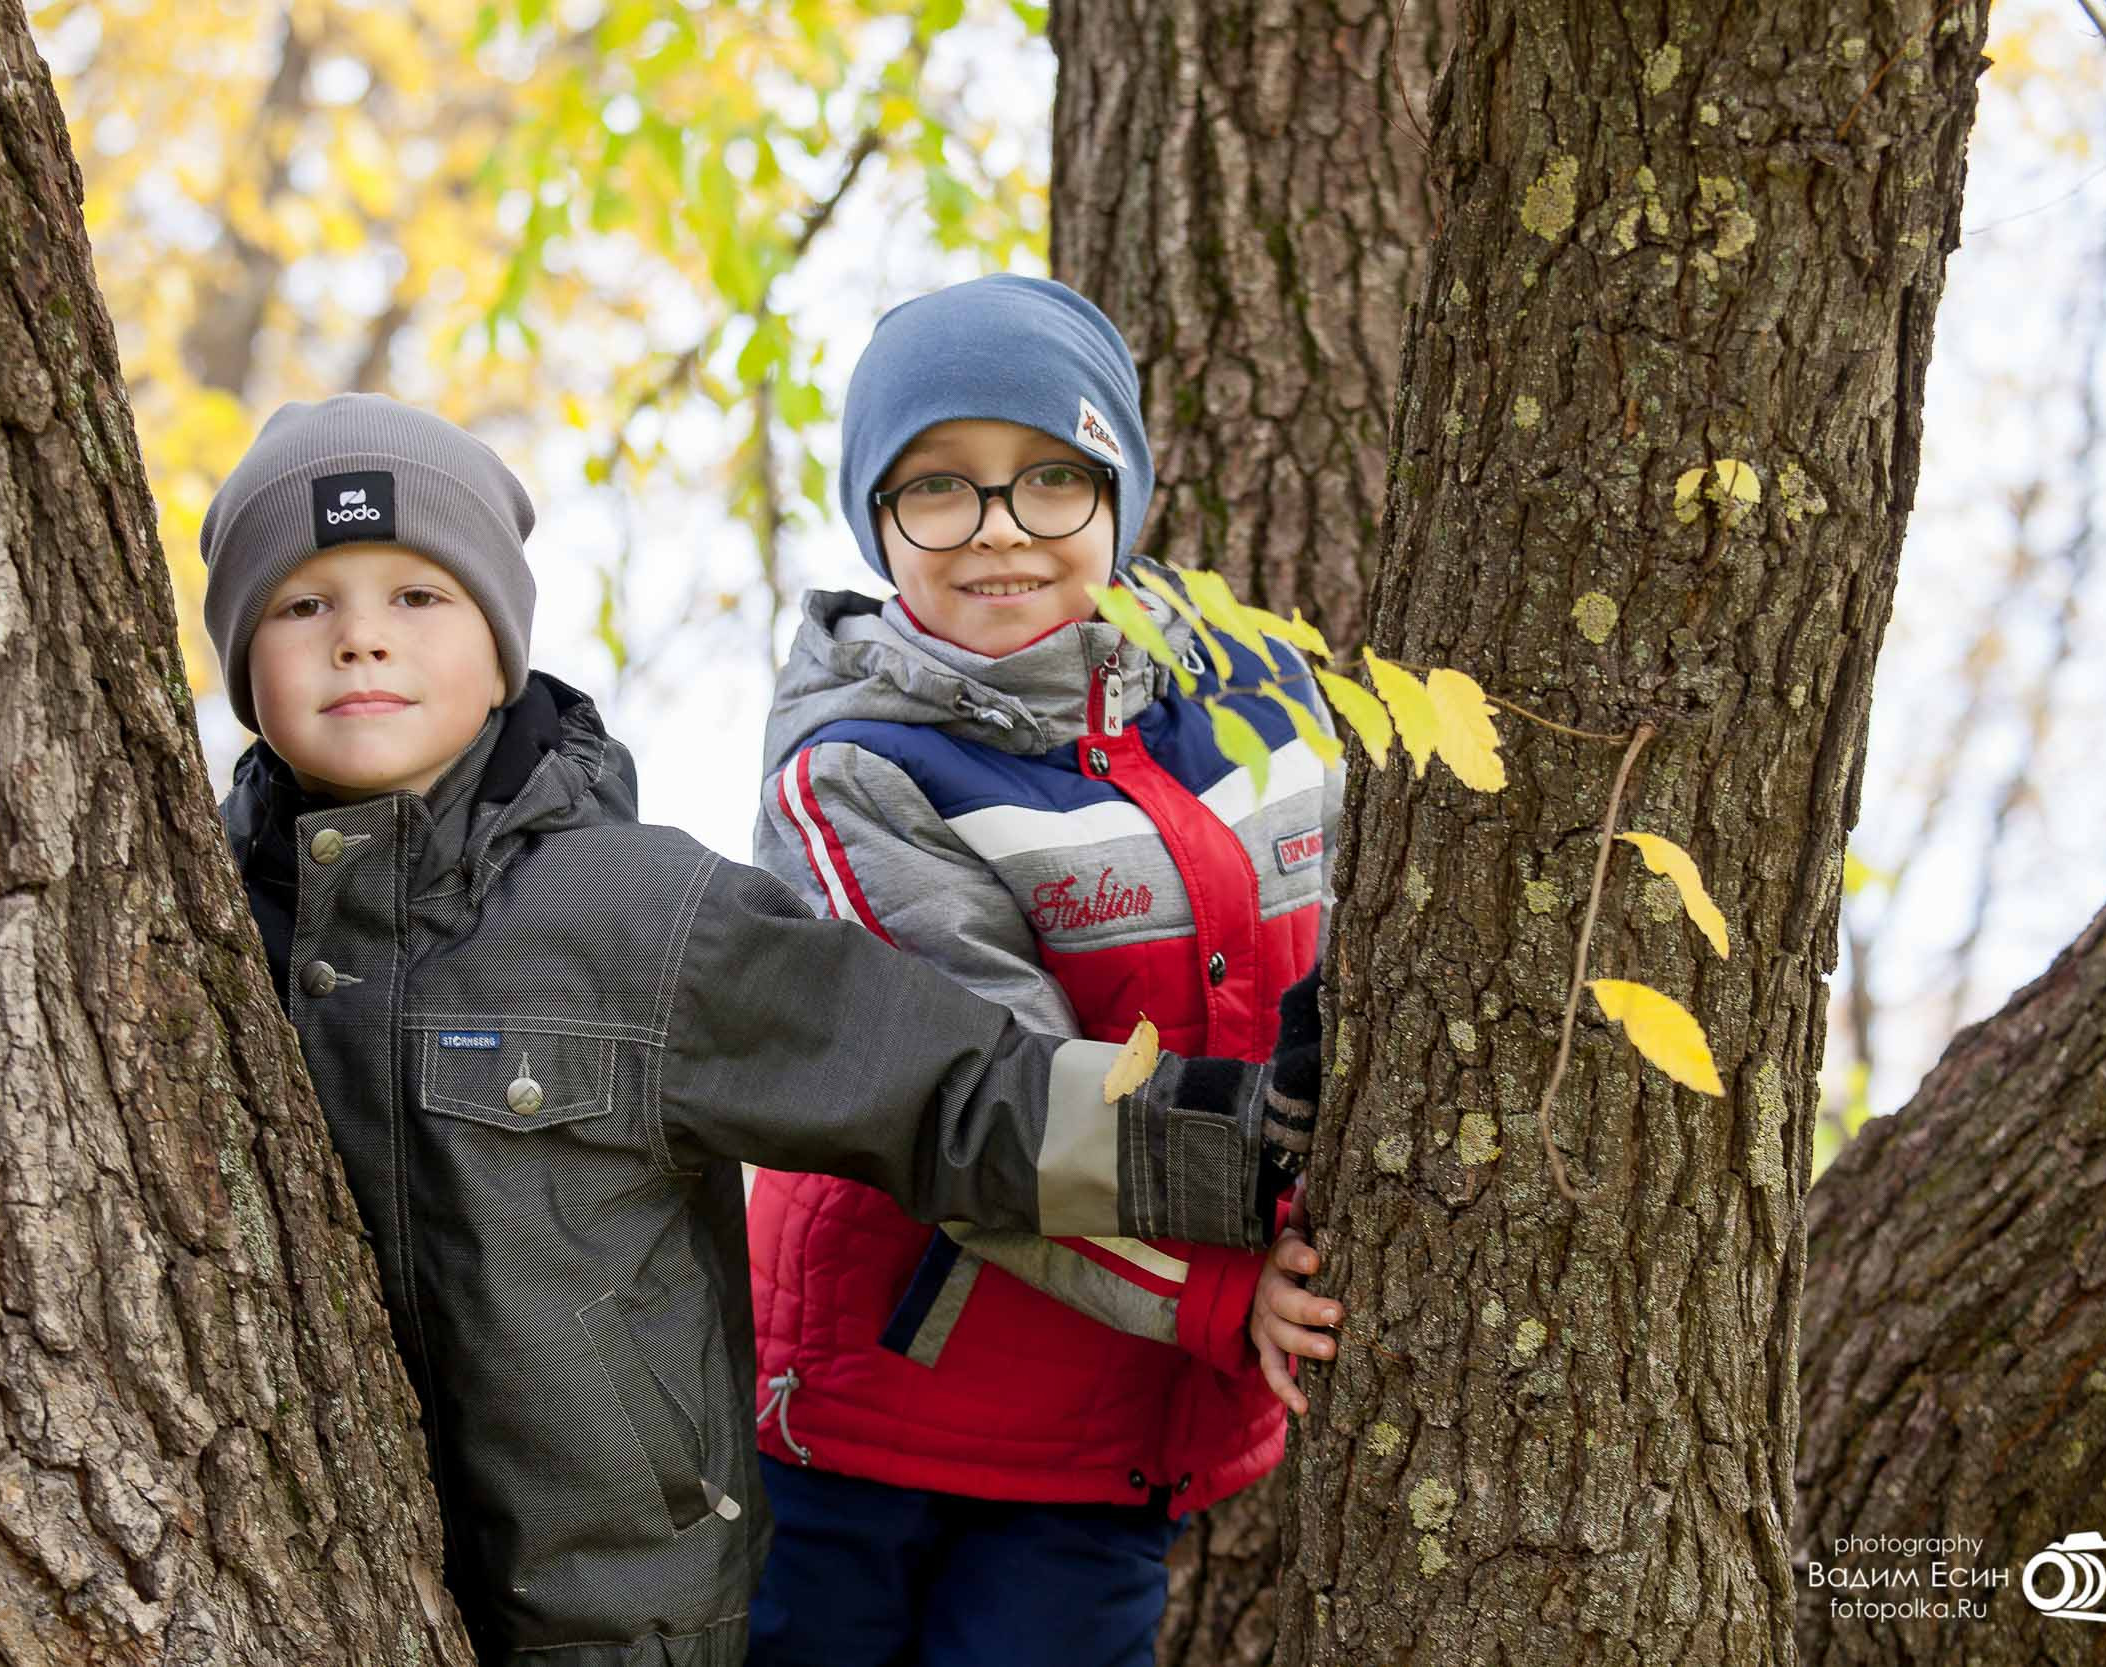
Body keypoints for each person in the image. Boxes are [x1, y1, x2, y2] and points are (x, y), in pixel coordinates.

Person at [198, 394, 1310, 1667]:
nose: (359, 639)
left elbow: (943, 1087)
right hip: (294, 1581)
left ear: (503, 651)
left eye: (417, 595)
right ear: (241, 663)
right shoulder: (192, 928)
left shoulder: (643, 916)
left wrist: (1246, 1139)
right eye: (303, 604)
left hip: (619, 1616)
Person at [744, 275, 1343, 1667]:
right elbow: (980, 1109)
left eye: (1050, 476)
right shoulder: (860, 772)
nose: (999, 526)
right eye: (938, 486)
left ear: (1120, 494)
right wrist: (1221, 1294)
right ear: (879, 520)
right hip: (869, 1420)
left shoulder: (1270, 700)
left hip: (1119, 1430)